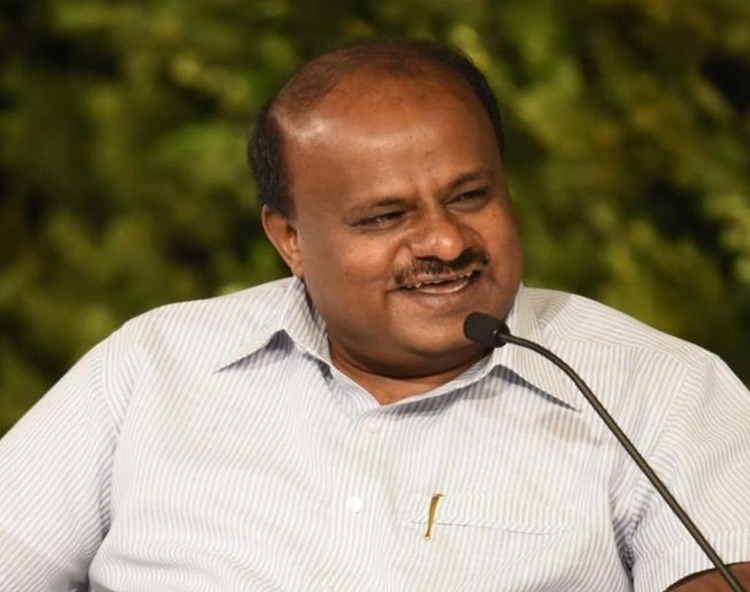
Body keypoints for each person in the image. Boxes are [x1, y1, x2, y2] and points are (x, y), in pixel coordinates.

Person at [0, 38, 749, 592]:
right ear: (290, 239)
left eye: (470, 196)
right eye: (386, 217)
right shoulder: (154, 364)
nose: (446, 242)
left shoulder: (658, 388)